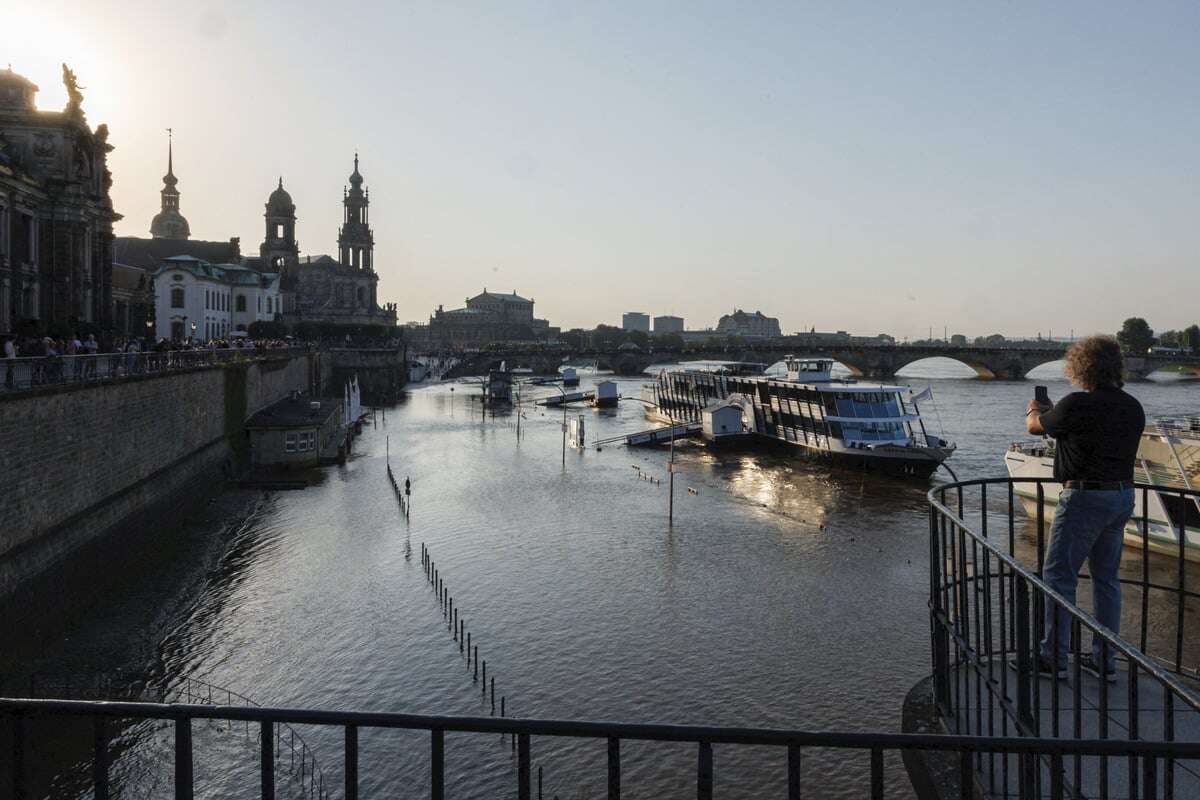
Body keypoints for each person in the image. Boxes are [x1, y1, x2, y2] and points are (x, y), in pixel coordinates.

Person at [1025, 335, 1144, 682]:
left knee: (1059, 579)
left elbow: (1035, 428)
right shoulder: (1132, 406)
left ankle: (1053, 660)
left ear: (1080, 366)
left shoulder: (1075, 404)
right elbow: (1091, 436)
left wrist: (1035, 410)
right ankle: (1104, 661)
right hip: (1122, 497)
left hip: (1083, 498)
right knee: (1107, 580)